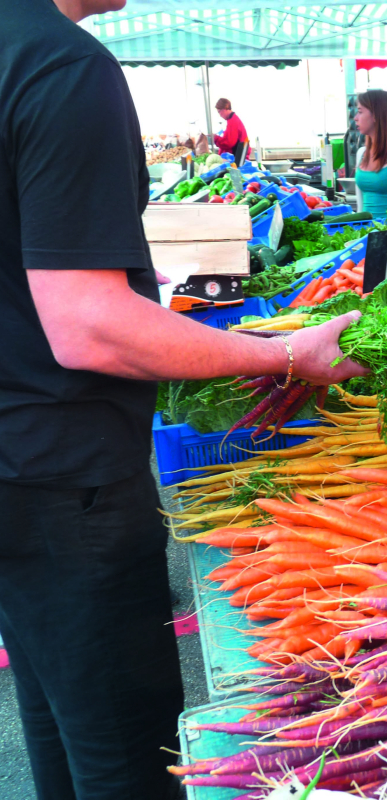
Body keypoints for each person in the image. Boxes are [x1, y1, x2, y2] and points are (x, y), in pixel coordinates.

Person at [0, 2, 368, 799]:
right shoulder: (63, 66)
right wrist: (285, 356)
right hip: (68, 475)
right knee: (127, 752)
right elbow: (89, 326)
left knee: (58, 713)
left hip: (16, 460)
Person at [213, 97, 249, 162]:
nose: (220, 115)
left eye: (219, 112)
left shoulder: (233, 122)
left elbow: (228, 143)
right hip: (237, 157)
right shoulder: (232, 120)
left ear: (224, 109)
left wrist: (215, 138)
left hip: (236, 159)